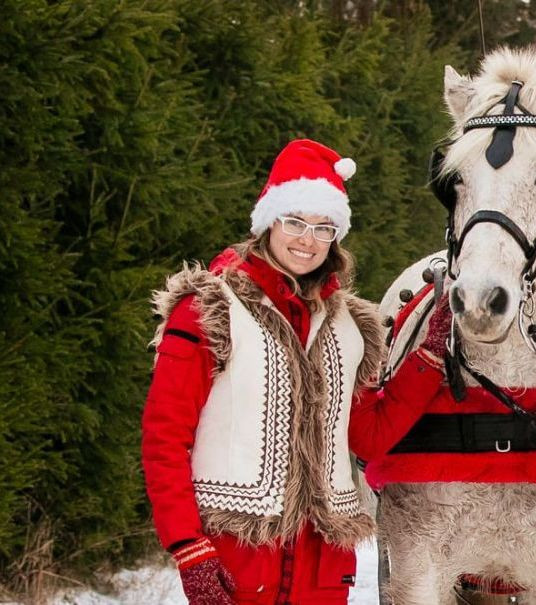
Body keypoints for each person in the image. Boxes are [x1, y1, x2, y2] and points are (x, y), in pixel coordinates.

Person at [142, 139, 384, 604]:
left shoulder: (350, 327)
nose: (307, 240)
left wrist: (432, 357)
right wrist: (188, 547)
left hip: (323, 567)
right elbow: (164, 436)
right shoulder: (208, 309)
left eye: (323, 228)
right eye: (295, 221)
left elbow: (368, 437)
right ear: (269, 222)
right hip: (240, 559)